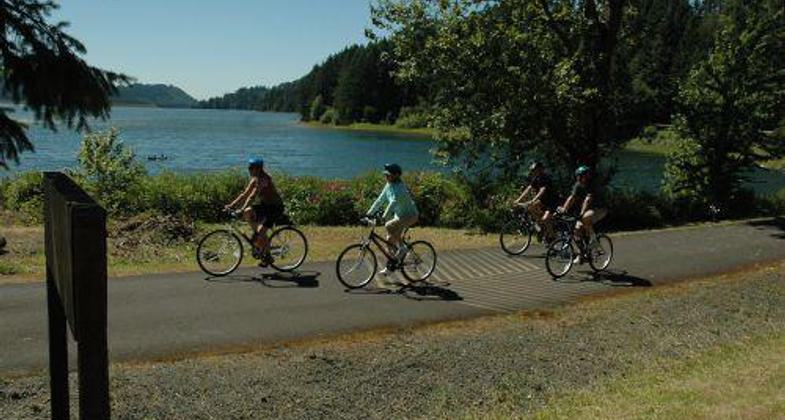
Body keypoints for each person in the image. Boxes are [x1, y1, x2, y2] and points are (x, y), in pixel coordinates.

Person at [225, 157, 285, 266]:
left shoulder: (264, 179)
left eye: (251, 167)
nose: (249, 169)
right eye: (248, 167)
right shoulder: (254, 179)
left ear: (258, 169)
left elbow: (252, 196)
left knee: (261, 231)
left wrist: (241, 208)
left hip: (275, 207)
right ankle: (258, 237)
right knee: (247, 212)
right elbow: (245, 194)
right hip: (265, 206)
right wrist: (231, 205)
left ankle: (267, 256)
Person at [367, 163, 419, 276]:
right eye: (385, 174)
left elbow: (393, 202)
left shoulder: (400, 187)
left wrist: (384, 216)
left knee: (388, 225)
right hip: (400, 216)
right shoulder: (388, 185)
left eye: (388, 175)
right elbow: (380, 200)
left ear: (396, 175)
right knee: (389, 240)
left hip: (410, 215)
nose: (386, 177)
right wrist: (368, 213)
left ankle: (403, 249)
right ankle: (391, 266)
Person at [558, 165, 608, 262]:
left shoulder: (592, 185)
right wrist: (564, 209)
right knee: (576, 230)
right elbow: (571, 198)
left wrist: (581, 213)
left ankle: (595, 245)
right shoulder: (578, 184)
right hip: (588, 209)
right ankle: (582, 254)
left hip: (599, 209)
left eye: (581, 176)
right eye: (578, 176)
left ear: (587, 176)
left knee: (585, 218)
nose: (579, 178)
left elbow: (587, 200)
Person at [513, 160, 558, 242]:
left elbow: (542, 190)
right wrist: (518, 199)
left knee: (545, 219)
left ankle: (553, 236)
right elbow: (528, 189)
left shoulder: (545, 178)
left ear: (540, 169)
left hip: (551, 202)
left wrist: (533, 200)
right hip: (543, 201)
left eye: (534, 170)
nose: (533, 172)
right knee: (530, 208)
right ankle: (541, 228)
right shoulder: (536, 178)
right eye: (532, 170)